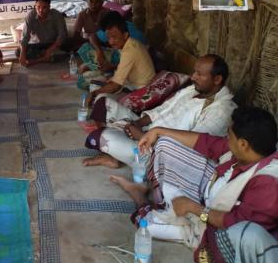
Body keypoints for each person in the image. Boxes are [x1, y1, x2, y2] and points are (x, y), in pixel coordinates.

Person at [112, 106, 278, 263]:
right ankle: (165, 201)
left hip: (214, 227)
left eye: (229, 135)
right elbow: (208, 143)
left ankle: (139, 195)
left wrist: (195, 208)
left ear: (243, 144)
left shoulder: (269, 183)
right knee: (165, 144)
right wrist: (159, 131)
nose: (227, 139)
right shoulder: (251, 152)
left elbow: (237, 227)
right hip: (210, 190)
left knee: (148, 226)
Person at [83, 55, 236, 168]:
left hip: (161, 152)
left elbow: (192, 148)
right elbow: (163, 109)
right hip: (149, 130)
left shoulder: (221, 110)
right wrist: (138, 123)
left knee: (102, 137)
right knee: (103, 104)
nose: (193, 77)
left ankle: (134, 162)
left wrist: (142, 136)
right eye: (194, 72)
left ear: (217, 79)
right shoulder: (193, 90)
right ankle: (119, 156)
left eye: (199, 74)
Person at [86, 15, 155, 105]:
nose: (111, 42)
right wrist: (112, 80)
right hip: (132, 84)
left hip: (142, 91)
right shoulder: (129, 43)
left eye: (114, 37)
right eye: (108, 38)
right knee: (97, 82)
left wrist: (94, 93)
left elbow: (116, 86)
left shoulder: (130, 51)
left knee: (101, 98)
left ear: (125, 35)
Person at [18, 0, 68, 67]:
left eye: (44, 7)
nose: (41, 10)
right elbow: (25, 37)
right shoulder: (31, 15)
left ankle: (38, 60)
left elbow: (62, 35)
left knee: (68, 50)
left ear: (49, 7)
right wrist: (22, 54)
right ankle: (46, 58)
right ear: (35, 7)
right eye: (38, 7)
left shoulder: (57, 15)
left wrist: (50, 50)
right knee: (18, 52)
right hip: (36, 45)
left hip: (53, 44)